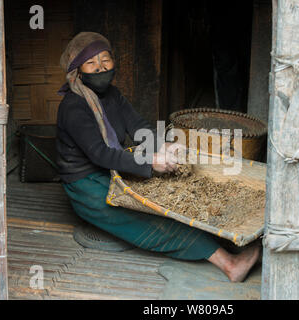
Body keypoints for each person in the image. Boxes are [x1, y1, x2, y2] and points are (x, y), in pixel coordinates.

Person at [56, 32, 260, 282]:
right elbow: (101, 154)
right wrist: (151, 162)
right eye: (92, 63)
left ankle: (224, 238)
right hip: (87, 185)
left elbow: (137, 126)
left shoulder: (112, 95)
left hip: (112, 171)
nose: (101, 67)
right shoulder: (73, 107)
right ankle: (228, 263)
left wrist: (163, 146)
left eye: (105, 59)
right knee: (150, 218)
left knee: (178, 192)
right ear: (78, 71)